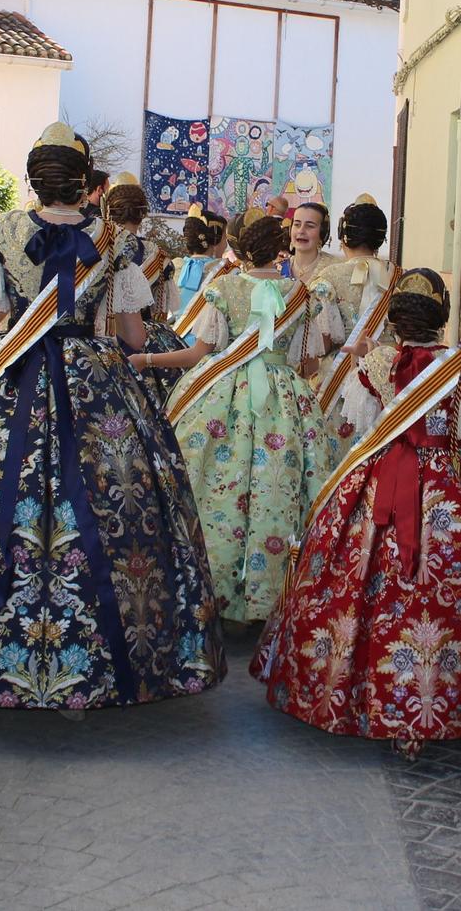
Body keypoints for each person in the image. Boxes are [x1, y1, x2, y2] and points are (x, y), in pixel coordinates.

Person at [0, 125, 224, 709]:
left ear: (34, 177)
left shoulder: (2, 233)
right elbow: (132, 332)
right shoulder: (116, 241)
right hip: (97, 385)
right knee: (115, 500)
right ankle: (113, 656)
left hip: (8, 377)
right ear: (85, 182)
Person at [256, 270, 461, 753]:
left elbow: (358, 432)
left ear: (394, 320)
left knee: (361, 580)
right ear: (443, 316)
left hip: (381, 485)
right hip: (458, 489)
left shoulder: (375, 364)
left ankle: (366, 695)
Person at [140, 209, 329, 624]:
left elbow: (196, 354)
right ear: (279, 250)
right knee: (279, 491)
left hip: (223, 396)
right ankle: (275, 596)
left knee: (215, 487)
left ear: (241, 249)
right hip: (285, 401)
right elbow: (310, 364)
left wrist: (145, 358)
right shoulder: (299, 293)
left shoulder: (224, 288)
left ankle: (215, 590)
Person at [306, 197, 397, 485]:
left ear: (343, 235)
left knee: (335, 464)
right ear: (381, 237)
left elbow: (321, 338)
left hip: (337, 378)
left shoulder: (329, 277)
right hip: (387, 375)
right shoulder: (399, 278)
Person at [101, 174, 188, 414]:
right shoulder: (158, 255)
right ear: (142, 214)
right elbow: (162, 309)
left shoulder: (97, 248)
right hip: (148, 339)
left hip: (104, 336)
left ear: (109, 212)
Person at [172, 207, 228, 320]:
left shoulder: (175, 267)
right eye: (224, 238)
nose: (226, 244)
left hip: (172, 335)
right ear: (215, 241)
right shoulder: (226, 273)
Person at [280, 201, 331, 286]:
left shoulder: (333, 270)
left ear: (322, 232)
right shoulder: (278, 270)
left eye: (310, 226)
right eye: (297, 224)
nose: (301, 231)